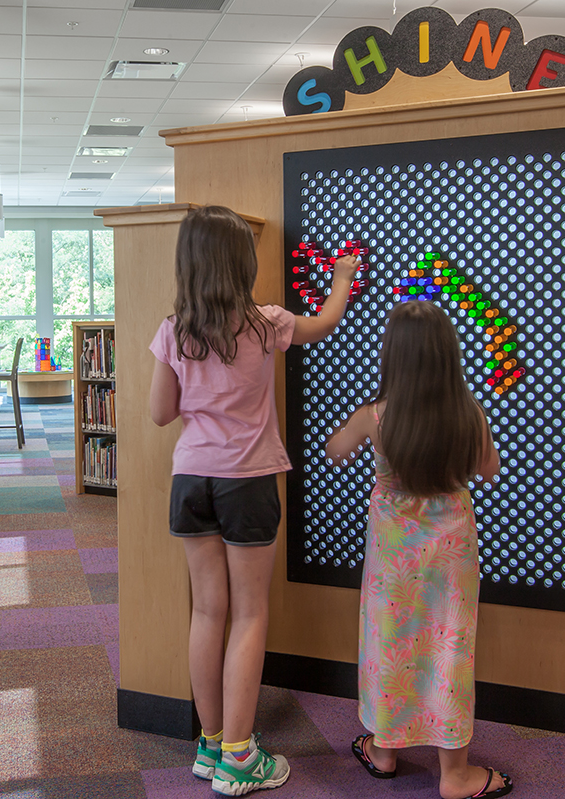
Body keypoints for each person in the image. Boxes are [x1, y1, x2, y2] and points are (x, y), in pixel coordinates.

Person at [148, 205, 360, 796]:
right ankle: (240, 757)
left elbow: (161, 413)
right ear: (243, 262)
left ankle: (211, 742)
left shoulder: (173, 331)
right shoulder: (266, 323)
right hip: (247, 482)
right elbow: (326, 323)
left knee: (206, 611)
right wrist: (342, 278)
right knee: (248, 613)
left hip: (191, 481)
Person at [325, 300, 512, 799]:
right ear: (448, 355)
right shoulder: (470, 413)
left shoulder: (376, 415)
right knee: (449, 648)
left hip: (392, 560)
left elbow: (336, 452)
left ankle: (384, 751)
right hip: (450, 555)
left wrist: (346, 433)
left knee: (391, 643)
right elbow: (489, 470)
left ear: (393, 357)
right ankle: (455, 774)